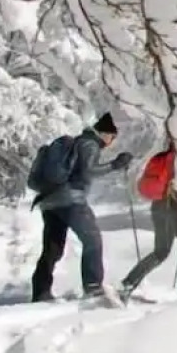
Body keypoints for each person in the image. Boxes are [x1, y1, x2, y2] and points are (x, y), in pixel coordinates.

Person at [30, 112, 133, 302]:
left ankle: (40, 292)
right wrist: (115, 165)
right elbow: (89, 171)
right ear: (104, 134)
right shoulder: (90, 144)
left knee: (52, 249)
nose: (111, 142)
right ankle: (93, 287)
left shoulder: (77, 142)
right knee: (92, 239)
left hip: (49, 201)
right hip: (71, 200)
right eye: (111, 137)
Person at [119, 145, 177, 301]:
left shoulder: (162, 157)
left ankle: (128, 283)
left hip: (158, 206)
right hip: (175, 208)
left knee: (160, 252)